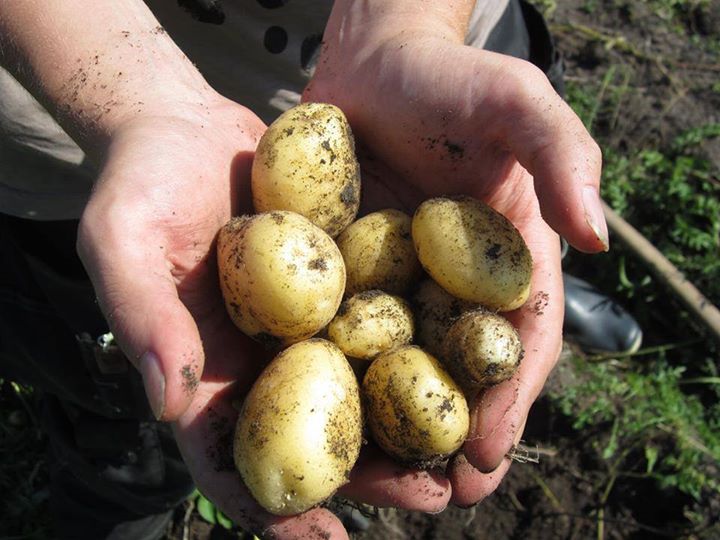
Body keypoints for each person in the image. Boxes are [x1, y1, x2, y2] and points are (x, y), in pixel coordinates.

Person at [0, 1, 617, 538]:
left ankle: (559, 261)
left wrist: (404, 23)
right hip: (79, 128)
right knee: (133, 421)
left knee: (530, 245)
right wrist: (138, 100)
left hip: (437, 86)